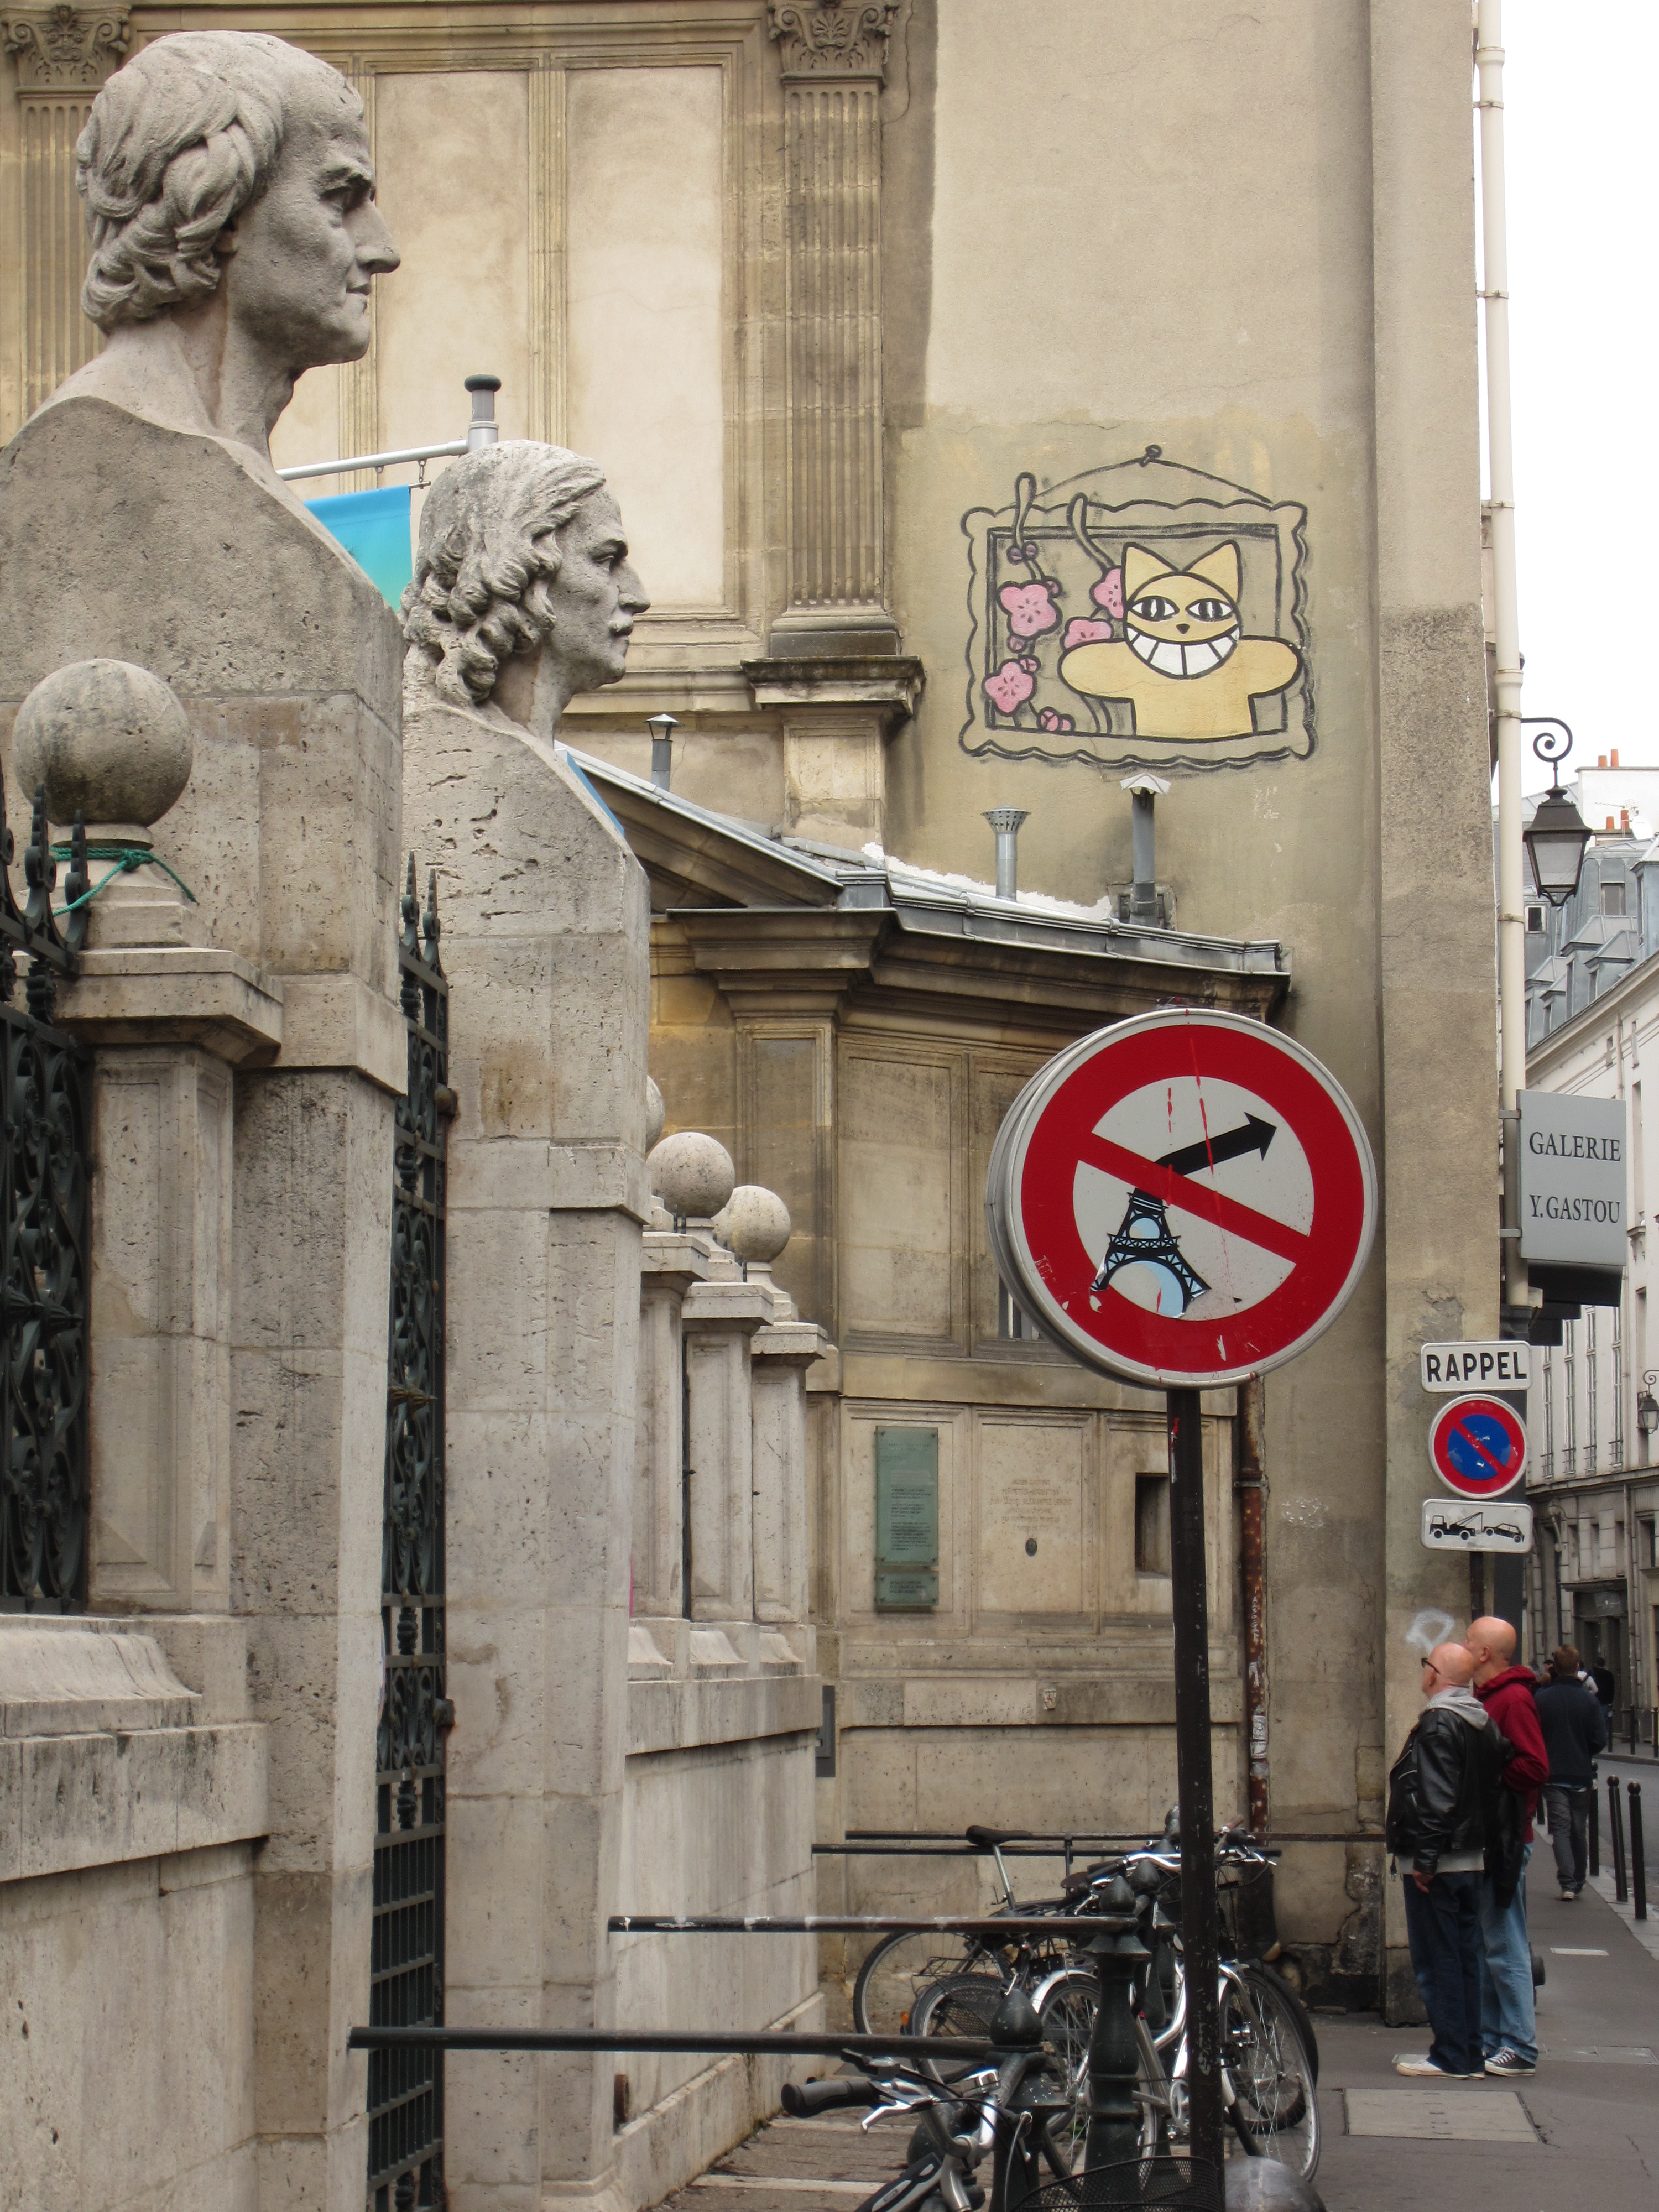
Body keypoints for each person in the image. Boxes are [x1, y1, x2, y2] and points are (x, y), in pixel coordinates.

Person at [1386, 1642, 1504, 2079]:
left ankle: (1452, 2055)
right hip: (1471, 1856)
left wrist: (1426, 1861)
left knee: (1439, 1960)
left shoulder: (1438, 1723)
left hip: (1440, 1860)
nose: (1424, 1673)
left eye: (1426, 1665)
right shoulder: (1481, 1720)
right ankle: (1468, 2053)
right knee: (1465, 1956)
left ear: (1435, 1674)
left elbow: (1437, 1798)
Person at [1464, 1616, 1550, 2077]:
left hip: (1506, 1838)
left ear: (1484, 1654)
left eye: (1469, 1639)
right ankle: (1499, 2039)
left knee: (1504, 1941)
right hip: (1495, 1836)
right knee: (1491, 1939)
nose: (1463, 1643)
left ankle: (1519, 2044)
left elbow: (1535, 1766)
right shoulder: (1492, 1697)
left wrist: (1491, 1775)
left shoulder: (1512, 1698)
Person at [1535, 1644, 1607, 1900]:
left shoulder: (1542, 1699)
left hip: (1553, 1774)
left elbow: (1535, 1735)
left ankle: (1567, 1882)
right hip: (1580, 1773)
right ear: (1578, 1668)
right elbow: (1600, 1740)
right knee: (1579, 1828)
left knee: (1560, 1829)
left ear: (1554, 1668)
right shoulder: (1589, 1700)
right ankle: (1578, 1879)